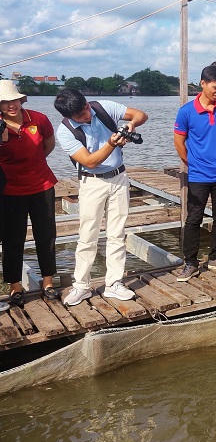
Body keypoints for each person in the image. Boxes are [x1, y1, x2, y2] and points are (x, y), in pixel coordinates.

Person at [54, 88, 148, 306]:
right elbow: (90, 161)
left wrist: (131, 125)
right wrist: (111, 143)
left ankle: (114, 283)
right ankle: (82, 286)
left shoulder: (101, 107)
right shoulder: (65, 131)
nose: (87, 114)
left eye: (86, 107)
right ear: (69, 117)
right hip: (92, 182)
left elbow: (141, 114)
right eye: (80, 115)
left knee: (117, 232)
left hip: (119, 176)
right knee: (88, 235)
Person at [174, 65, 216, 281]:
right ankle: (190, 262)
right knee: (194, 219)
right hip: (199, 174)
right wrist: (191, 162)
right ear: (202, 83)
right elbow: (179, 141)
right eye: (215, 87)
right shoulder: (186, 111)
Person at [0, 80, 58, 306]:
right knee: (12, 239)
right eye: (4, 103)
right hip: (9, 190)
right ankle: (15, 286)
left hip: (41, 185)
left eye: (13, 100)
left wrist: (34, 164)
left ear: (20, 99)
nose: (10, 106)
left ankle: (48, 282)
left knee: (46, 235)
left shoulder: (38, 119)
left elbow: (49, 145)